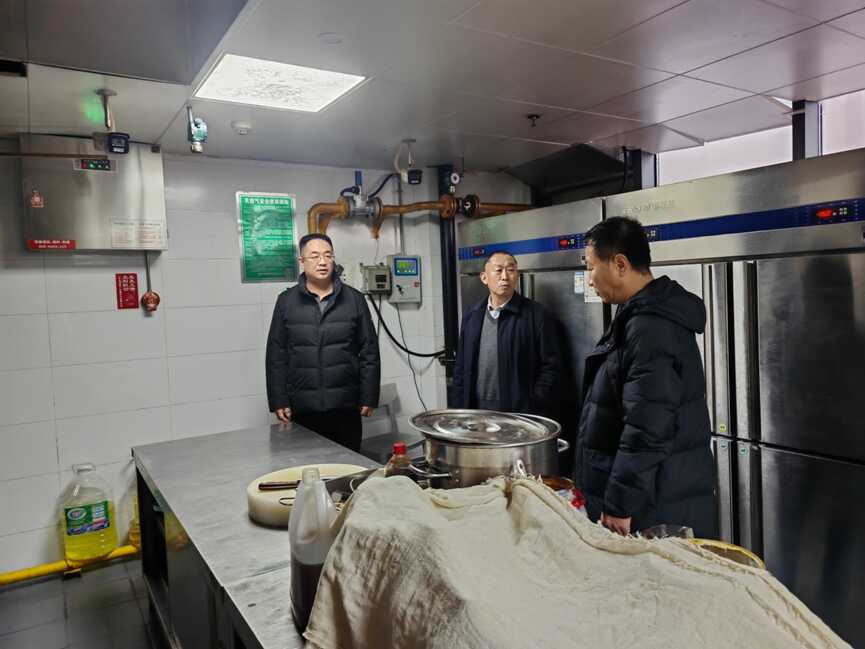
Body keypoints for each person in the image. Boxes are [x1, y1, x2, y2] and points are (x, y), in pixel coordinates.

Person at [576, 217, 714, 538]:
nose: (589, 279)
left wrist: (619, 503)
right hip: (652, 495)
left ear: (620, 264)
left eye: (592, 267)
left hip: (653, 504)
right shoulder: (638, 315)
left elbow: (647, 427)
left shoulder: (651, 328)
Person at [266, 233, 380, 452]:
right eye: (315, 256)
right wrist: (279, 400)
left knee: (347, 464)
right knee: (307, 464)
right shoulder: (286, 301)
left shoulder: (355, 299)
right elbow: (276, 354)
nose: (322, 262)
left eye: (328, 255)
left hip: (345, 405)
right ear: (302, 261)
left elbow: (369, 352)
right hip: (303, 406)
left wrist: (369, 396)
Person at [453, 250, 562, 418]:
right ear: (484, 277)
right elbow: (461, 366)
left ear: (517, 276)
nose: (505, 277)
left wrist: (533, 404)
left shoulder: (537, 315)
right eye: (498, 270)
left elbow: (551, 367)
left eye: (511, 270)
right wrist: (460, 408)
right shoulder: (472, 315)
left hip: (519, 415)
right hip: (475, 412)